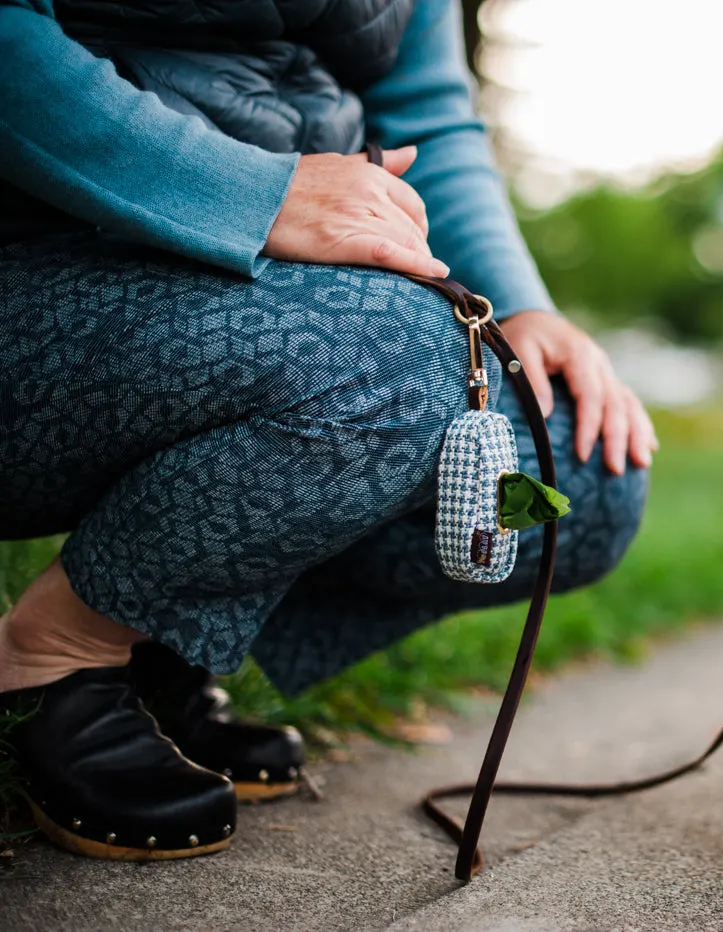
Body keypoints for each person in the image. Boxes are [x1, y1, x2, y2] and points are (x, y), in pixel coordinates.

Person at [0, 0, 653, 860]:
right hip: (39, 265)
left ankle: (159, 636)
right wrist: (255, 193)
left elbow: (428, 114)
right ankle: (51, 657)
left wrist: (522, 302)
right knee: (408, 356)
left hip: (266, 295)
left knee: (580, 471)